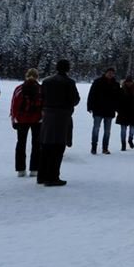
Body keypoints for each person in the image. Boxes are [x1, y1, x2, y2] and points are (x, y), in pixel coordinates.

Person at [38, 59, 80, 187]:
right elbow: (75, 99)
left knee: (46, 146)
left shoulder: (46, 82)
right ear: (68, 68)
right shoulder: (69, 83)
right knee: (58, 148)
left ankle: (42, 176)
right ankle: (52, 177)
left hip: (48, 116)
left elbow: (41, 97)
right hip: (62, 117)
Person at [10, 68, 42, 177]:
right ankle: (34, 169)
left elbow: (14, 105)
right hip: (37, 120)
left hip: (22, 120)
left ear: (26, 76)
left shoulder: (19, 89)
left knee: (21, 143)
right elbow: (44, 105)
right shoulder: (40, 89)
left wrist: (14, 119)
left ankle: (21, 169)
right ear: (37, 77)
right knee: (36, 144)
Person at [87, 67, 120, 155]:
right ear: (105, 73)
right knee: (96, 129)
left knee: (107, 131)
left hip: (109, 111)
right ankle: (94, 147)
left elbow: (118, 98)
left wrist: (117, 108)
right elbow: (91, 94)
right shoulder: (98, 82)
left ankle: (105, 148)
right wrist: (89, 106)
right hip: (98, 109)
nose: (110, 74)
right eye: (109, 72)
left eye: (112, 73)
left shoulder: (116, 84)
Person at [116, 77, 134, 151]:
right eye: (127, 82)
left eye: (130, 82)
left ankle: (130, 139)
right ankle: (123, 144)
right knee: (123, 130)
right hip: (123, 113)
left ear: (133, 82)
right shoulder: (121, 90)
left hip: (133, 113)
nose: (129, 83)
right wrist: (118, 110)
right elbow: (116, 101)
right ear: (125, 82)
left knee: (132, 130)